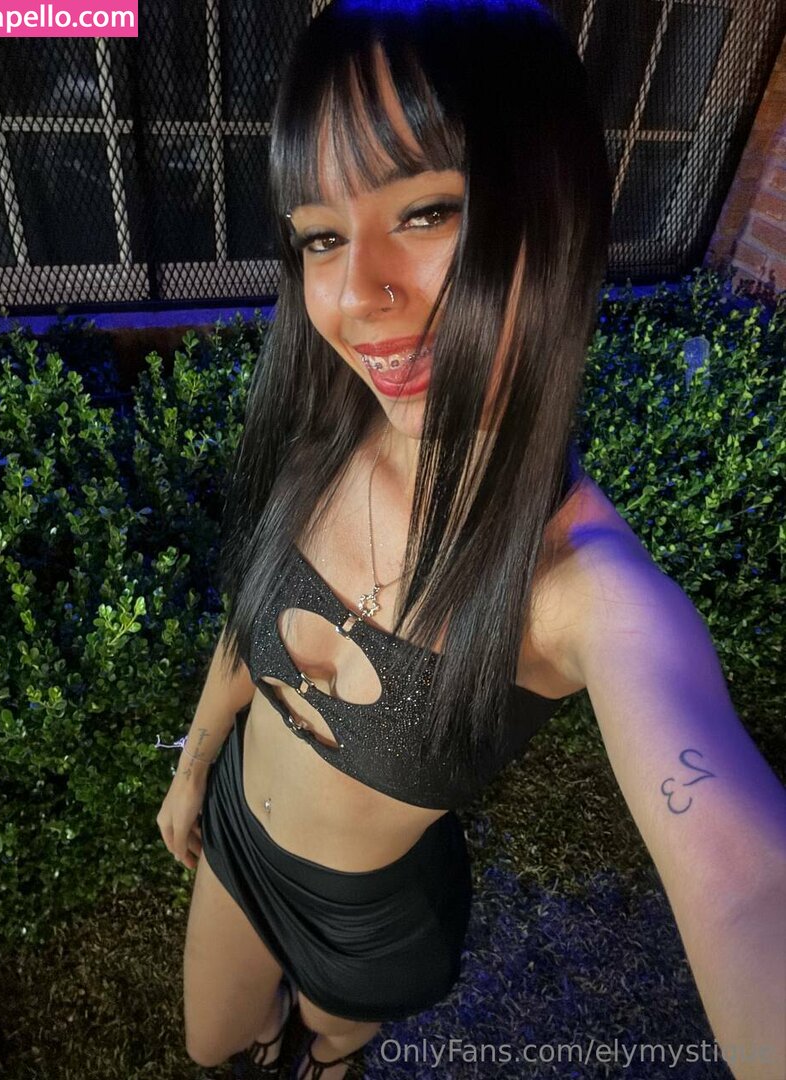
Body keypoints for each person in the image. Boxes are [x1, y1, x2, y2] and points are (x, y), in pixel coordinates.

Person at [156, 2, 786, 1079]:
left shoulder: (581, 589)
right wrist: (193, 767)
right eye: (321, 236)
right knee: (214, 1044)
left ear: (552, 212)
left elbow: (749, 886)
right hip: (237, 839)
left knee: (327, 1043)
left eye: (426, 212)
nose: (357, 298)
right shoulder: (327, 438)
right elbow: (249, 625)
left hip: (369, 920)